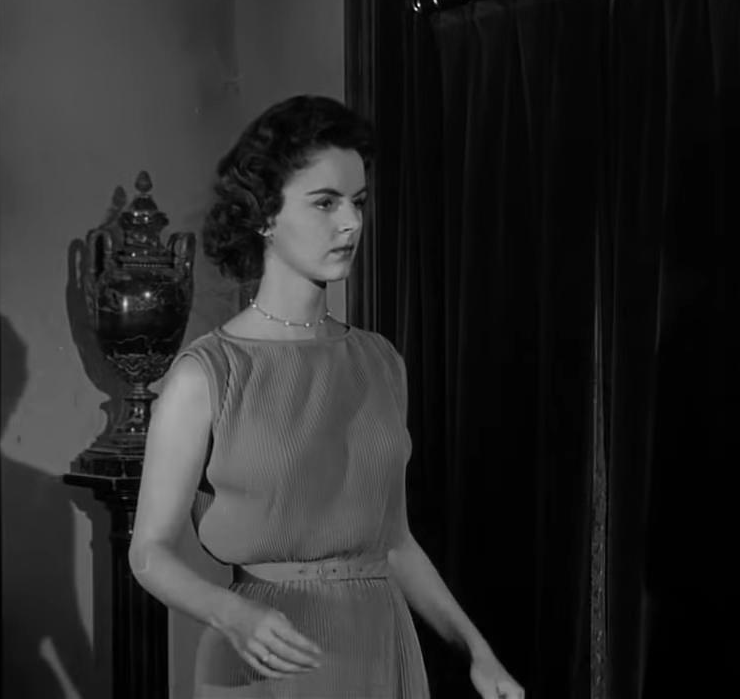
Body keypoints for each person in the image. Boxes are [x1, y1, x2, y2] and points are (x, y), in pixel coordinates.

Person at [128, 95, 524, 699]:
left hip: (380, 649)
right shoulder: (207, 375)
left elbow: (395, 542)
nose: (351, 223)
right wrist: (229, 613)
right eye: (325, 203)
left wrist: (477, 650)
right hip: (269, 659)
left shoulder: (380, 362)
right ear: (264, 215)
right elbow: (148, 553)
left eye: (358, 202)